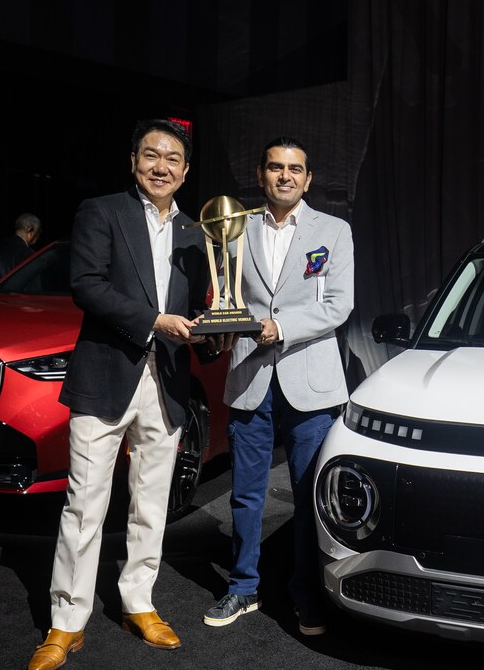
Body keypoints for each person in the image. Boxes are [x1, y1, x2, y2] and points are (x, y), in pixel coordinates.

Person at [27, 119, 210, 670]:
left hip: (168, 381)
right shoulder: (102, 211)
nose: (162, 166)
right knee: (84, 503)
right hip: (106, 375)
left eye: (173, 159)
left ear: (184, 171)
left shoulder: (198, 233)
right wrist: (156, 320)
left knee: (152, 502)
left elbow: (205, 302)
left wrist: (217, 329)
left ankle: (138, 601)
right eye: (151, 155)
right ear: (133, 161)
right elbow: (87, 284)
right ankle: (66, 620)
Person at [202, 137, 354, 637]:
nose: (284, 176)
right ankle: (243, 588)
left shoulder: (333, 231)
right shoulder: (233, 227)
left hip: (310, 382)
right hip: (250, 377)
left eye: (295, 169)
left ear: (308, 179)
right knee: (245, 494)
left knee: (311, 496)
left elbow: (338, 304)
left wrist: (281, 325)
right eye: (275, 167)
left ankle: (307, 595)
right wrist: (216, 321)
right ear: (261, 175)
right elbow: (223, 293)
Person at [0, 212, 42, 283]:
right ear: (31, 230)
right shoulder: (27, 253)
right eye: (39, 232)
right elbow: (33, 286)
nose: (39, 237)